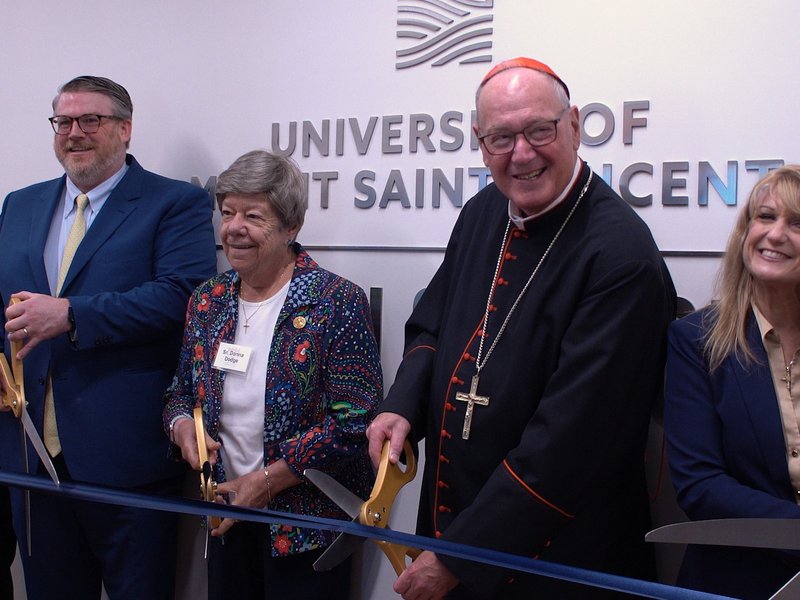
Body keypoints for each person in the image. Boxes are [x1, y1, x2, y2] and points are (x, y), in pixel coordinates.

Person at [367, 57, 677, 599]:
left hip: (557, 555)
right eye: (501, 137)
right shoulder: (484, 210)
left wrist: (465, 554)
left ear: (575, 125)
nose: (523, 154)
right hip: (457, 533)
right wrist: (402, 407)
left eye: (540, 130)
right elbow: (431, 325)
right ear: (481, 143)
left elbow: (573, 444)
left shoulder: (621, 256)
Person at [0, 75, 217, 599]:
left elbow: (183, 297)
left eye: (90, 121)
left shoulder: (175, 203)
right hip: (30, 455)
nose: (74, 133)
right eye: (63, 122)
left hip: (125, 458)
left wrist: (72, 314)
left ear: (124, 129)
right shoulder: (20, 204)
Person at [163, 149, 383, 600]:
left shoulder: (335, 302)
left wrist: (267, 482)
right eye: (227, 213)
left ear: (291, 226)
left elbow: (353, 421)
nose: (234, 227)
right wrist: (182, 425)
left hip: (306, 526)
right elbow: (180, 392)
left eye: (253, 215)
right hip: (225, 514)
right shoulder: (207, 300)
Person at [665, 165, 800, 599]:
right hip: (737, 579)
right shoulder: (696, 341)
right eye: (765, 217)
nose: (776, 235)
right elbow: (701, 485)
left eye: (797, 223)